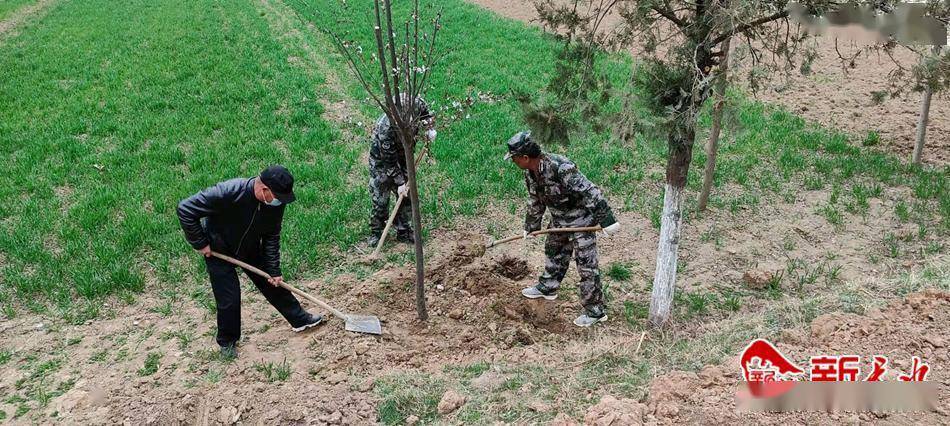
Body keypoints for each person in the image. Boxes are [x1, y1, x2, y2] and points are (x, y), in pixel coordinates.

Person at [177, 165, 324, 358]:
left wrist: (273, 269)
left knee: (273, 283)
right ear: (264, 190)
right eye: (277, 196)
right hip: (218, 250)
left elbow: (272, 235)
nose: (280, 201)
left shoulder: (276, 203)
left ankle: (299, 319)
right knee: (228, 297)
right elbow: (185, 209)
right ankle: (227, 342)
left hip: (250, 247)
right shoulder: (228, 192)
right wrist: (200, 242)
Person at [505, 131, 621, 327]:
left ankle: (595, 311)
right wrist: (531, 226)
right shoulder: (530, 173)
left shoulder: (560, 167)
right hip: (559, 220)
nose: (513, 161)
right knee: (554, 251)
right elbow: (535, 200)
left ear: (525, 157)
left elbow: (589, 191)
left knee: (586, 266)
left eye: (514, 158)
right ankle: (548, 287)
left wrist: (607, 220)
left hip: (582, 221)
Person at [366, 96, 436, 247]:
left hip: (404, 154)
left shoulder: (417, 103)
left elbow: (426, 115)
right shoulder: (385, 127)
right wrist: (399, 182)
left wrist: (430, 128)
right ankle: (376, 232)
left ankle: (403, 231)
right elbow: (389, 160)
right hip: (382, 161)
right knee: (381, 198)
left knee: (407, 196)